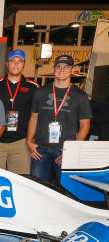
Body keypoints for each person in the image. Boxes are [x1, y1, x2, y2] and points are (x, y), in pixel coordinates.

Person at [27, 55, 92, 183]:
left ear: (72, 69)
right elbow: (34, 118)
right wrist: (29, 141)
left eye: (66, 66)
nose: (62, 69)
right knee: (38, 188)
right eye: (59, 66)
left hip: (64, 151)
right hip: (40, 150)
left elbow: (85, 125)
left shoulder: (80, 96)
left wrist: (71, 150)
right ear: (54, 69)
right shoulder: (40, 92)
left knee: (68, 190)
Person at [0, 50, 40, 174]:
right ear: (7, 64)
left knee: (22, 181)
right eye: (13, 61)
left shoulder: (33, 87)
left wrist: (34, 138)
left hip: (21, 143)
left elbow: (37, 115)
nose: (16, 64)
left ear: (24, 64)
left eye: (20, 61)